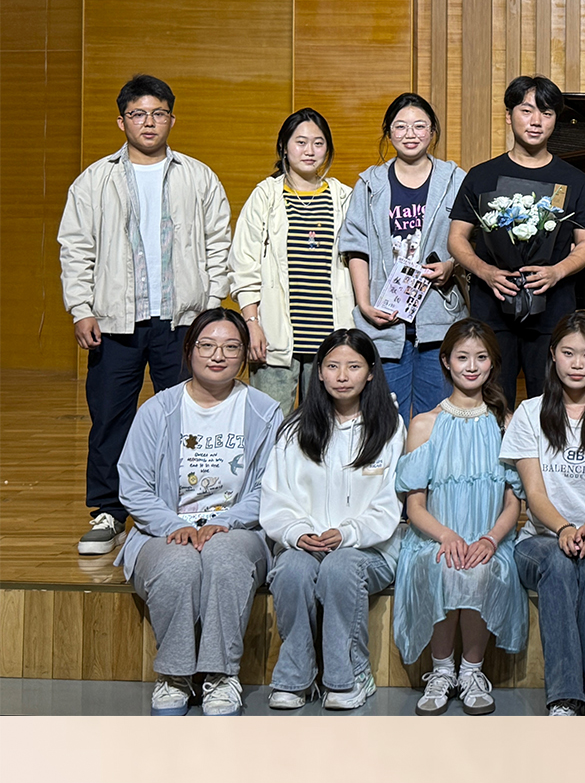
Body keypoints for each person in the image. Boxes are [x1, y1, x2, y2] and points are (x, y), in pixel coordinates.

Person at [62, 74, 235, 558]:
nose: (148, 122)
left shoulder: (197, 176)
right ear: (122, 122)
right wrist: (81, 308)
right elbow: (75, 247)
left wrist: (211, 306)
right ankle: (108, 511)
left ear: (172, 119)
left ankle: (184, 506)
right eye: (138, 114)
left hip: (183, 322)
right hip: (115, 321)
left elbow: (218, 242)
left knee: (185, 418)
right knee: (110, 417)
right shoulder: (95, 180)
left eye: (158, 113)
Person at [116, 307, 283, 717]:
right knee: (179, 564)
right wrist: (174, 525)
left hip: (238, 530)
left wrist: (226, 521)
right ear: (189, 349)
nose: (218, 355)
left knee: (224, 558)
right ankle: (174, 676)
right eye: (207, 345)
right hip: (162, 532)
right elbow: (133, 486)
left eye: (231, 347)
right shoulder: (158, 410)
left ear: (245, 354)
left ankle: (221, 676)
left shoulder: (264, 411)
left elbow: (272, 487)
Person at [260, 331, 405, 713]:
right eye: (332, 366)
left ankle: (351, 676)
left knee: (339, 567)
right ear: (319, 372)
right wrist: (297, 533)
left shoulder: (389, 428)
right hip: (305, 546)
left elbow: (389, 504)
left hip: (369, 551)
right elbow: (276, 497)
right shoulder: (294, 430)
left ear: (370, 372)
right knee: (291, 570)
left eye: (353, 366)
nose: (342, 376)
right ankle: (296, 677)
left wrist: (347, 533)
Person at [502, 313, 585, 715]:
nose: (577, 364)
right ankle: (564, 696)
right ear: (552, 355)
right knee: (560, 563)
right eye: (568, 353)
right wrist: (563, 528)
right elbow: (534, 493)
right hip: (541, 540)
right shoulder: (529, 413)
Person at [392, 321, 526, 715]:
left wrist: (490, 539)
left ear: (492, 363)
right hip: (433, 537)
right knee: (445, 565)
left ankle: (471, 671)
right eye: (462, 357)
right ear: (446, 361)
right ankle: (441, 671)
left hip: (490, 537)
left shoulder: (506, 422)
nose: (471, 366)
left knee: (480, 569)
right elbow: (415, 506)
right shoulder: (424, 424)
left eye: (480, 358)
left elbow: (513, 501)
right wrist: (447, 536)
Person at [447, 76, 585, 402]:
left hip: (552, 311)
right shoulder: (481, 175)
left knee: (550, 402)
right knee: (492, 400)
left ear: (555, 120)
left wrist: (556, 271)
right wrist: (486, 271)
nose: (536, 121)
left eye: (546, 113)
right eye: (527, 110)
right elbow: (457, 237)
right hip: (492, 308)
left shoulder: (572, 179)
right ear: (509, 115)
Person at [339, 93, 470, 419]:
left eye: (419, 126)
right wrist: (365, 304)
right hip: (384, 321)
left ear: (432, 131)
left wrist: (451, 265)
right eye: (400, 126)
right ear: (388, 132)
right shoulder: (370, 184)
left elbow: (473, 239)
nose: (410, 134)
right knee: (385, 420)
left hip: (439, 320)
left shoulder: (455, 180)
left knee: (437, 419)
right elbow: (356, 246)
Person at [232, 109, 353, 411]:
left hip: (331, 342)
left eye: (318, 143)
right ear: (284, 147)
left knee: (325, 429)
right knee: (270, 426)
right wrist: (252, 324)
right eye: (301, 142)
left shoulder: (344, 198)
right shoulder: (265, 196)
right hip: (274, 340)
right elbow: (243, 264)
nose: (309, 151)